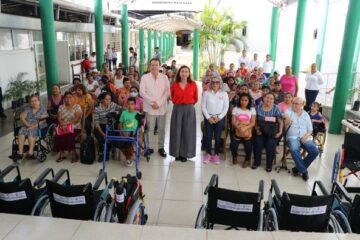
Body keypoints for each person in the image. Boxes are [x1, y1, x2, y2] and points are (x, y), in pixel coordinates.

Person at [140, 58, 170, 158]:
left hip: (162, 107)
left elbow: (167, 92)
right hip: (149, 107)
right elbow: (142, 92)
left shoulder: (164, 77)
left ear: (159, 66)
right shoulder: (144, 77)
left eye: (156, 65)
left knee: (161, 129)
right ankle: (148, 147)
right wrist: (152, 103)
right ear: (149, 66)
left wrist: (159, 103)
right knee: (149, 129)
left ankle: (161, 148)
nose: (154, 67)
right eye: (152, 65)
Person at [284, 97, 319, 181]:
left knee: (315, 151)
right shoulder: (288, 111)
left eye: (297, 104)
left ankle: (298, 168)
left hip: (304, 137)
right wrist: (285, 116)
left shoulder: (306, 114)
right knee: (294, 148)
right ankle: (303, 171)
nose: (294, 105)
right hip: (292, 137)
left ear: (302, 105)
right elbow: (283, 113)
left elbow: (310, 129)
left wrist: (306, 136)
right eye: (293, 103)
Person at [170, 65, 198, 162]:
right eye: (182, 71)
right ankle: (176, 153)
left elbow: (196, 98)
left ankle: (185, 153)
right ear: (179, 73)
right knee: (176, 131)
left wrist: (188, 104)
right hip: (177, 109)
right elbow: (172, 97)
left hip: (189, 109)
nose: (184, 73)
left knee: (188, 132)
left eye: (186, 71)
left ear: (189, 73)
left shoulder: (193, 84)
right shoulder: (174, 84)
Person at [253, 93, 283, 172]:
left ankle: (269, 164)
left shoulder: (276, 108)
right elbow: (255, 120)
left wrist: (280, 132)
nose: (269, 100)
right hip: (260, 130)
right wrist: (256, 129)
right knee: (257, 143)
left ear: (273, 100)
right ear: (264, 98)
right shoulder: (258, 107)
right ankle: (257, 162)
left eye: (271, 98)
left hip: (272, 132)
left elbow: (280, 121)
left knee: (270, 145)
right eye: (267, 98)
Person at [202, 77, 229, 164]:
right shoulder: (206, 93)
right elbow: (203, 106)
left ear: (220, 83)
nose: (215, 84)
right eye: (213, 82)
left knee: (218, 137)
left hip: (219, 119)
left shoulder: (224, 94)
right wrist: (208, 117)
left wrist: (219, 117)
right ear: (210, 83)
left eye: (217, 82)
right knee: (208, 137)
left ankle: (216, 154)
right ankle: (208, 154)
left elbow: (226, 107)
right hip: (208, 118)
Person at [14, 95, 48, 159]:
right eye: (32, 101)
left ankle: (31, 153)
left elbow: (44, 120)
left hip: (39, 126)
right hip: (28, 125)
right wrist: (27, 124)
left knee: (31, 131)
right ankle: (20, 153)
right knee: (21, 131)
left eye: (35, 100)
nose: (33, 102)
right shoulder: (28, 109)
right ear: (30, 103)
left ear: (39, 101)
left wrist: (35, 126)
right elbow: (22, 117)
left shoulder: (42, 109)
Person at [53, 91, 82, 162]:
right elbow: (59, 118)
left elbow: (77, 118)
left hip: (75, 127)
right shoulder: (61, 107)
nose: (68, 99)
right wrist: (63, 124)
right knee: (57, 136)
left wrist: (67, 123)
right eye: (66, 97)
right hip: (63, 126)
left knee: (70, 136)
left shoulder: (77, 106)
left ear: (73, 98)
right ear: (64, 99)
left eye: (70, 97)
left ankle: (73, 153)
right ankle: (62, 154)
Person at [94, 92, 122, 161]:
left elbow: (121, 108)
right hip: (101, 126)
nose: (108, 101)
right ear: (102, 100)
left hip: (111, 125)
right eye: (106, 99)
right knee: (102, 138)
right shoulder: (98, 109)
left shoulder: (112, 104)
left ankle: (108, 151)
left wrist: (118, 112)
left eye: (109, 99)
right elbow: (97, 124)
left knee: (112, 137)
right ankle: (102, 153)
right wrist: (103, 134)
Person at [230, 93, 255, 167]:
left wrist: (245, 128)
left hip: (247, 130)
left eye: (245, 100)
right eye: (242, 100)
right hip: (237, 130)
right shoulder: (236, 109)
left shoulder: (252, 110)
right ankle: (235, 156)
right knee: (233, 146)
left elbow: (253, 122)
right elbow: (233, 121)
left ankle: (247, 160)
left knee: (248, 147)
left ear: (249, 101)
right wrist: (239, 128)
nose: (243, 102)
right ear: (239, 100)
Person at [118, 97, 140, 166]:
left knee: (129, 142)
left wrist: (137, 132)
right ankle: (128, 157)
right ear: (127, 105)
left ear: (135, 105)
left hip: (134, 132)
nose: (130, 106)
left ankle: (129, 158)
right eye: (129, 104)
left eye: (132, 104)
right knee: (122, 143)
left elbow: (141, 125)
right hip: (125, 132)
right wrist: (122, 131)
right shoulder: (124, 113)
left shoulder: (138, 114)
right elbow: (120, 124)